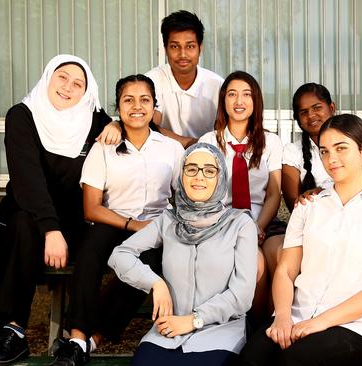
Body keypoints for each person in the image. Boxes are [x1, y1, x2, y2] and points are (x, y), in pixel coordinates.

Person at [0, 55, 120, 365]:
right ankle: (13, 331)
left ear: (86, 92)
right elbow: (28, 181)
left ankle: (77, 340)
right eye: (62, 77)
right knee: (23, 224)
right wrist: (51, 230)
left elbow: (138, 124)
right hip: (27, 218)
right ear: (48, 78)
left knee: (102, 245)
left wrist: (116, 124)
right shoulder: (22, 115)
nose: (68, 87)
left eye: (78, 84)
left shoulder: (93, 119)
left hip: (73, 222)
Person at [236, 114, 362, 366]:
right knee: (249, 361)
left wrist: (320, 322)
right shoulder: (308, 205)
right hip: (296, 316)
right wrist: (282, 316)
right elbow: (285, 270)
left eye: (341, 148)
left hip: (351, 327)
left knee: (293, 362)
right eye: (325, 151)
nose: (332, 159)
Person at [50, 74, 184, 366]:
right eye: (128, 100)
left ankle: (92, 340)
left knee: (147, 262)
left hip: (156, 227)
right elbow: (91, 208)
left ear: (154, 106)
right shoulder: (104, 147)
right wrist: (131, 225)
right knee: (89, 254)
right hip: (112, 222)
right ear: (118, 106)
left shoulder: (171, 148)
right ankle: (76, 336)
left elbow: (183, 197)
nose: (137, 106)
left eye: (144, 100)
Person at [108, 142, 258, 366]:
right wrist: (154, 283)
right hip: (167, 333)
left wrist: (194, 320)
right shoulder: (168, 220)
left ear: (220, 178)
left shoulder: (240, 223)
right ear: (182, 176)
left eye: (209, 171)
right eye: (191, 169)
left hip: (220, 333)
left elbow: (242, 295)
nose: (199, 177)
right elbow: (120, 254)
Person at [198, 71, 283, 325]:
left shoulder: (271, 142)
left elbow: (273, 192)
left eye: (247, 94)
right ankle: (252, 329)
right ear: (223, 100)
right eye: (232, 94)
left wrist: (258, 227)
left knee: (280, 258)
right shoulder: (208, 141)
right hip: (223, 222)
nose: (239, 101)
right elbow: (204, 196)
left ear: (255, 101)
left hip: (264, 221)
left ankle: (275, 326)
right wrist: (241, 229)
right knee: (254, 264)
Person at [146, 10, 224, 148]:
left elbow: (225, 132)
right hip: (163, 153)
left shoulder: (216, 85)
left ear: (200, 47)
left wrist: (201, 149)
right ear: (165, 48)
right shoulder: (152, 80)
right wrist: (191, 143)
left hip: (207, 156)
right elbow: (150, 127)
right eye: (175, 46)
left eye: (190, 46)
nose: (182, 54)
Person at [281, 83, 335, 211]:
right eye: (304, 112)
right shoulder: (292, 152)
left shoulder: (351, 143)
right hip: (313, 224)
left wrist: (322, 193)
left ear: (332, 108)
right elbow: (294, 206)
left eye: (317, 107)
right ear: (297, 119)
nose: (310, 115)